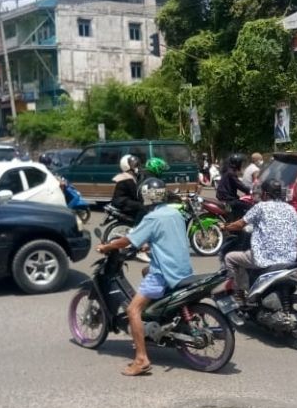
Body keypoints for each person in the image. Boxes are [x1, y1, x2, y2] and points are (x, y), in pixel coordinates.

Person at [96, 177, 193, 376]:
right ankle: (158, 316)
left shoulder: (152, 218)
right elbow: (168, 237)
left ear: (145, 196)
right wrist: (150, 244)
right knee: (144, 271)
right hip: (183, 269)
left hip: (164, 273)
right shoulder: (175, 213)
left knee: (133, 310)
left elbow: (127, 240)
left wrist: (106, 246)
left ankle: (141, 359)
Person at [221, 179, 297, 305]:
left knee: (230, 258)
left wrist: (225, 227)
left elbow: (240, 224)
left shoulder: (261, 207)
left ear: (265, 194)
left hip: (265, 258)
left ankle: (239, 296)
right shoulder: (291, 209)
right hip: (289, 259)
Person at [110, 154, 144, 224]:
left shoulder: (128, 176)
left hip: (124, 201)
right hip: (123, 203)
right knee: (142, 206)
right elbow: (136, 194)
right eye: (134, 165)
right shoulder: (127, 179)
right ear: (126, 166)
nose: (137, 167)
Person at [216, 153, 251, 218]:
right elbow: (240, 185)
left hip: (225, 197)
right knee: (248, 206)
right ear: (237, 163)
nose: (241, 165)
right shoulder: (231, 173)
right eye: (241, 163)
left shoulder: (228, 171)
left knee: (241, 201)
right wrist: (250, 190)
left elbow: (238, 183)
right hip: (227, 199)